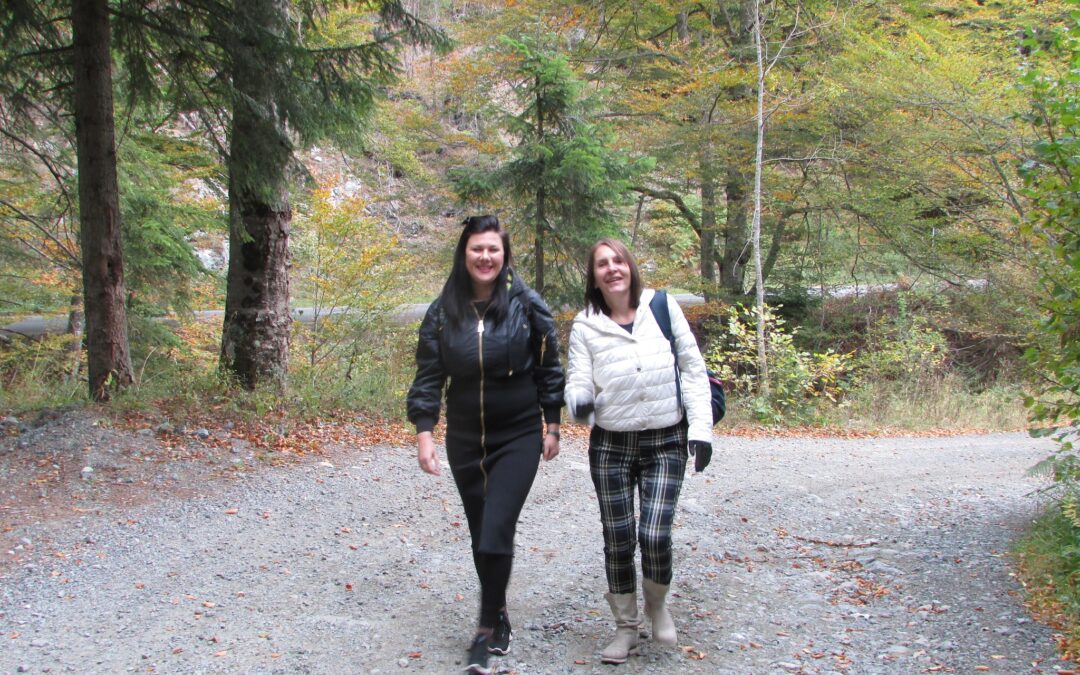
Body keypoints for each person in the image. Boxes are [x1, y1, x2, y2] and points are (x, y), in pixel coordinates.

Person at [406, 215, 565, 674]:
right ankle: (499, 612)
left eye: (493, 249)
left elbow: (549, 366)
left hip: (517, 433)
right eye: (477, 248)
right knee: (481, 533)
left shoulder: (526, 304)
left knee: (497, 526)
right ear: (464, 254)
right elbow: (429, 375)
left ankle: (483, 630)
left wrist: (552, 424)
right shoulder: (444, 310)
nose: (485, 257)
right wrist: (424, 432)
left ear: (504, 255)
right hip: (463, 438)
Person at [565, 238, 713, 664]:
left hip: (666, 440)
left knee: (655, 533)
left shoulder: (662, 307)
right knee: (618, 538)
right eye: (602, 264)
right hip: (611, 445)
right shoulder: (586, 324)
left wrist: (701, 430)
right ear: (594, 277)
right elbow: (578, 378)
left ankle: (657, 605)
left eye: (618, 260)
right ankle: (626, 628)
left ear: (630, 266)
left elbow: (693, 369)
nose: (612, 268)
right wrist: (578, 402)